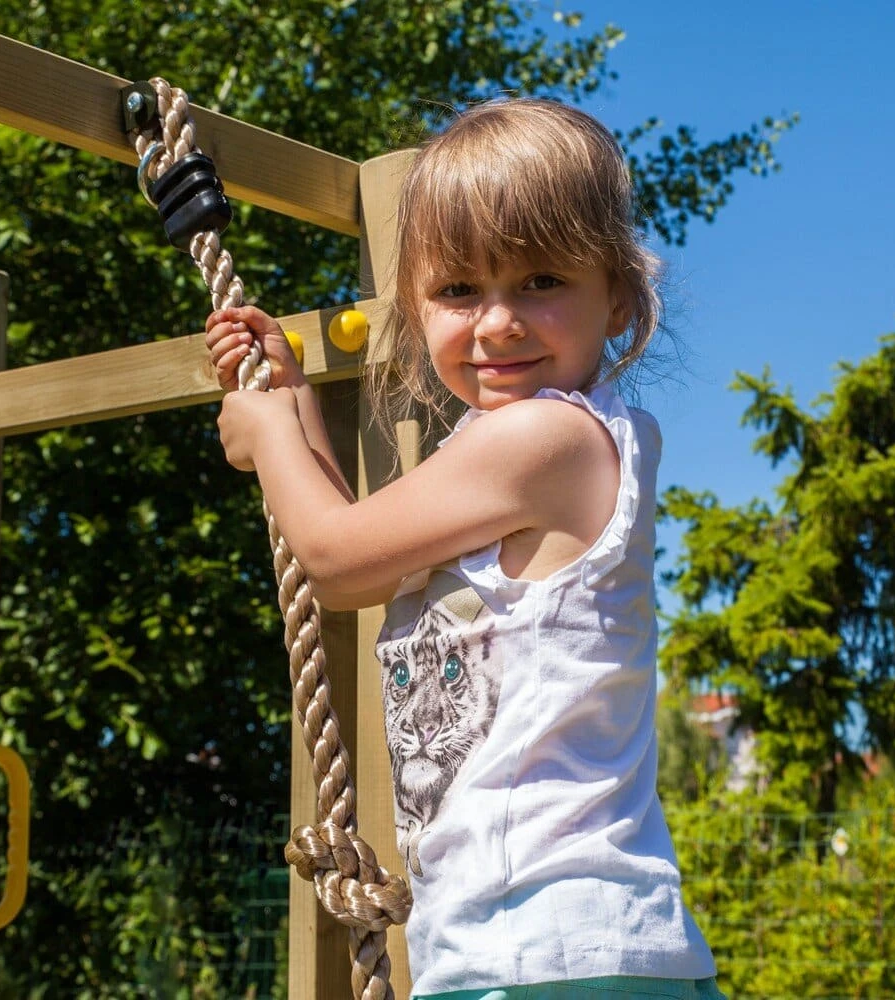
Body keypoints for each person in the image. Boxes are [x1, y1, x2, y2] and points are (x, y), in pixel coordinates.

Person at [205, 99, 725, 1000]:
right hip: (522, 948)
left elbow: (335, 559)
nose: (497, 323)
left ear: (618, 298)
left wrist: (268, 438)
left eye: (540, 281)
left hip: (555, 944)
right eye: (458, 291)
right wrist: (295, 405)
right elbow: (363, 561)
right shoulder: (509, 451)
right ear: (416, 306)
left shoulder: (542, 441)